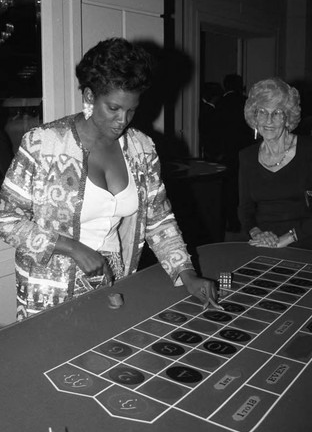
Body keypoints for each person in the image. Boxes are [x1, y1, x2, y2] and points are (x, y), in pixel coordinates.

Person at [0, 37, 222, 320]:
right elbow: (6, 218)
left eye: (131, 110)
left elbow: (159, 220)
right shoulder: (43, 144)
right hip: (48, 291)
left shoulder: (142, 149)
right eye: (114, 108)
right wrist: (72, 247)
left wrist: (186, 274)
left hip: (113, 281)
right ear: (90, 96)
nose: (123, 120)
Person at [239, 77, 312, 249]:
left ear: (288, 118)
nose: (269, 120)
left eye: (277, 113)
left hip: (304, 241)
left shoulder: (308, 151)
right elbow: (245, 210)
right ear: (254, 118)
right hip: (263, 242)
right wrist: (257, 233)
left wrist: (286, 239)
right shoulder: (247, 156)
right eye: (262, 112)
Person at [214, 74, 253, 232]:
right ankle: (243, 221)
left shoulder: (220, 103)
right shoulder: (246, 102)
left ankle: (230, 222)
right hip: (244, 150)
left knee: (227, 188)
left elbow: (216, 130)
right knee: (242, 187)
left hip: (226, 152)